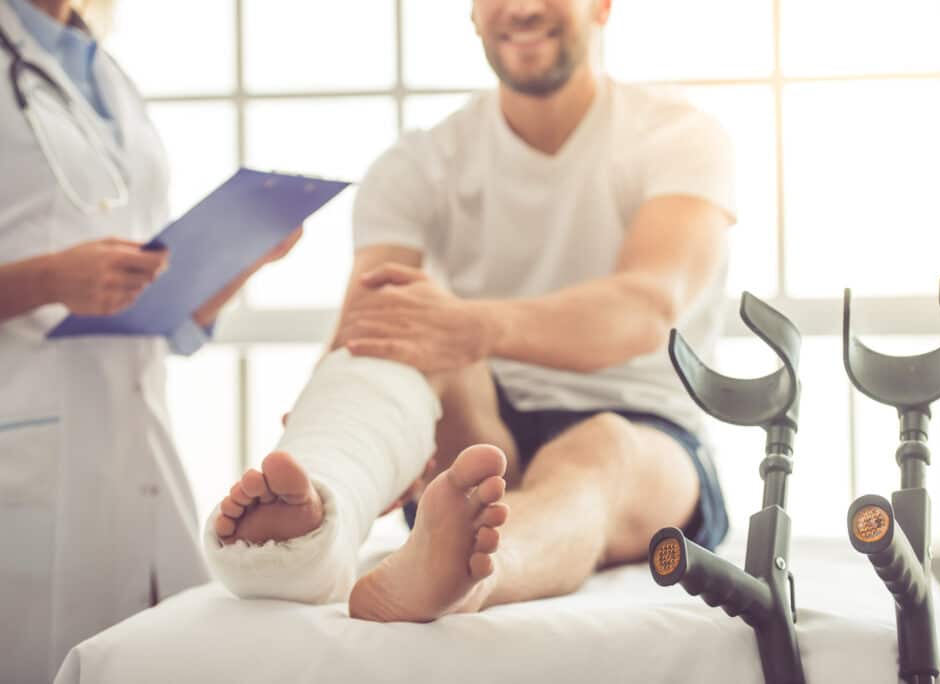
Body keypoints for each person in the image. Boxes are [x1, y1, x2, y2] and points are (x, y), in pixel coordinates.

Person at [204, 0, 734, 622]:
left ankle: (470, 572)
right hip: (478, 429)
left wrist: (470, 325)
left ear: (603, 7)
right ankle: (318, 518)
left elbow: (646, 308)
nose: (525, 7)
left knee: (600, 449)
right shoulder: (419, 162)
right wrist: (334, 403)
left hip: (644, 432)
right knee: (401, 343)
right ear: (474, 13)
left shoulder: (677, 133)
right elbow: (374, 322)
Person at [0, 0, 301, 680]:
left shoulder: (104, 71)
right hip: (23, 447)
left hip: (134, 437)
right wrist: (52, 277)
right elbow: (70, 273)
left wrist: (243, 256)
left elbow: (154, 313)